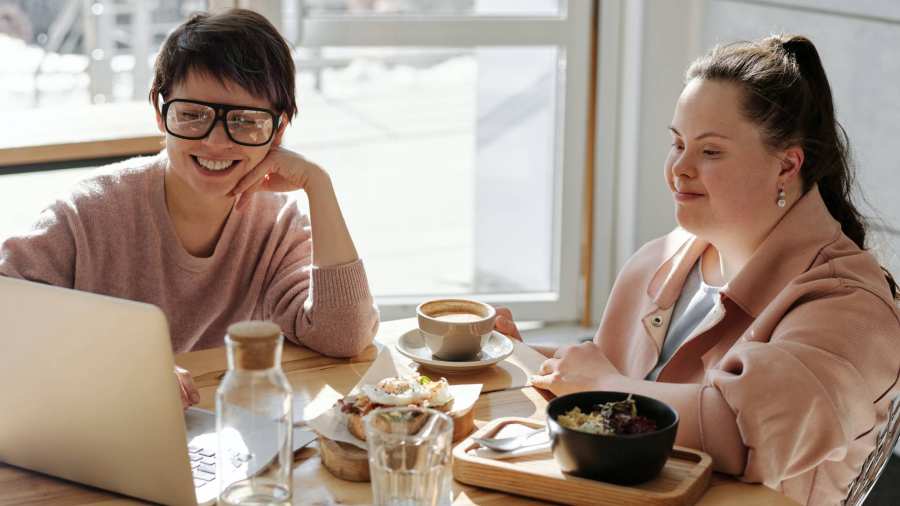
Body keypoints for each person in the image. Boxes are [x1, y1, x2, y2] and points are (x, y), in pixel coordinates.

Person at [498, 35, 900, 505]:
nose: (679, 169)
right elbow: (616, 379)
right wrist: (519, 355)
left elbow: (738, 431)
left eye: (710, 152)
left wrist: (599, 385)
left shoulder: (848, 307)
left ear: (787, 166)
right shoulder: (662, 258)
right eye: (678, 143)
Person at [0, 9, 379, 409]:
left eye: (246, 121)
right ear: (160, 113)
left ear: (278, 131)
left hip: (218, 431)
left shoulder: (278, 224)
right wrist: (124, 361)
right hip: (98, 424)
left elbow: (344, 336)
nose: (215, 142)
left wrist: (317, 186)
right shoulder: (89, 210)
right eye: (193, 115)